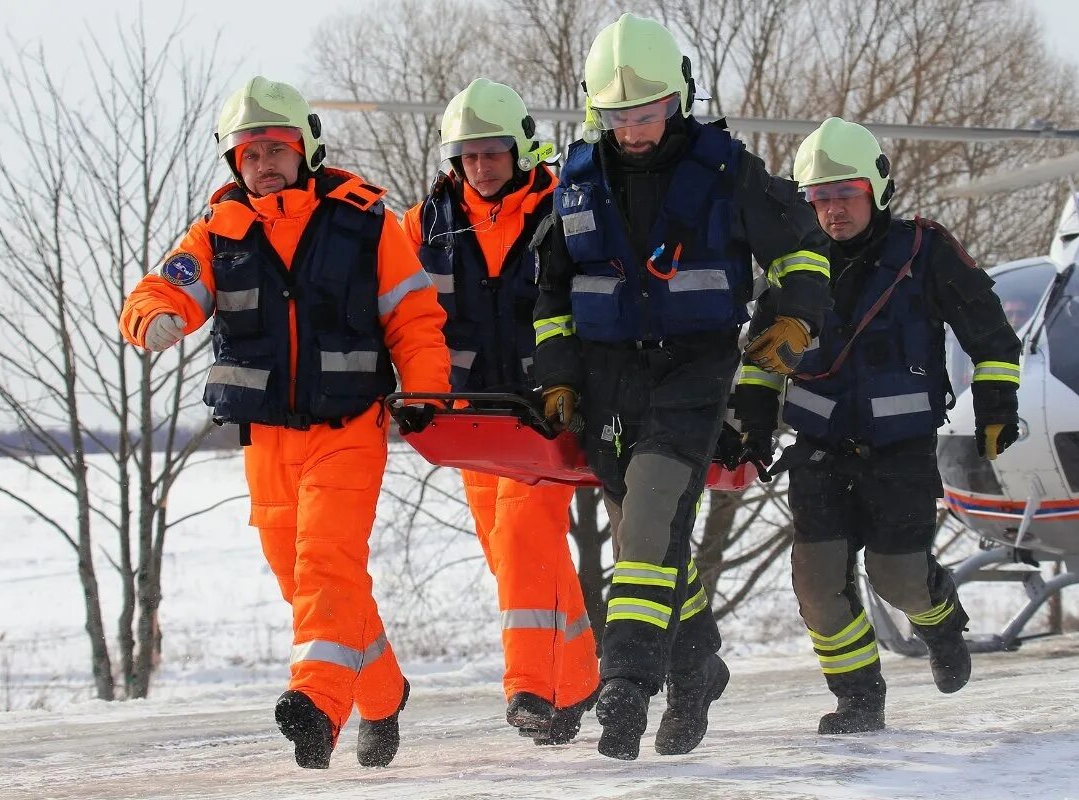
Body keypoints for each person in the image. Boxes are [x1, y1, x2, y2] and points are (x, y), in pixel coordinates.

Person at [118, 77, 451, 769]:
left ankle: (318, 704)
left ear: (307, 147)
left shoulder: (365, 221)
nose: (264, 162)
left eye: (276, 148)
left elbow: (414, 317)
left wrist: (424, 394)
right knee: (307, 583)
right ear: (234, 164)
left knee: (327, 559)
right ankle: (383, 693)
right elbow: (162, 286)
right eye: (250, 153)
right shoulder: (219, 231)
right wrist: (154, 317)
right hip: (267, 438)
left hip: (348, 425)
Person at [531, 12, 832, 760]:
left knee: (649, 516)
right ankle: (697, 662)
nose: (633, 130)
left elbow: (803, 251)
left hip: (693, 369)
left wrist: (791, 321)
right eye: (618, 116)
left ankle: (629, 680)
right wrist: (561, 377)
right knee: (652, 534)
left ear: (679, 100)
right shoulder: (574, 182)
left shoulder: (726, 169)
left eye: (649, 112)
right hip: (606, 382)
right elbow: (550, 296)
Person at [733, 117, 1023, 735]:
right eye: (820, 197)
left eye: (847, 194)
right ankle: (859, 699)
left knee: (897, 577)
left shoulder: (926, 252)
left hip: (900, 451)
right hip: (817, 449)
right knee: (816, 588)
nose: (833, 210)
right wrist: (753, 423)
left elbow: (990, 332)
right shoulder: (792, 267)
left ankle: (940, 622)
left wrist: (998, 400)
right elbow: (763, 358)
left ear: (877, 190)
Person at [399, 78, 599, 744]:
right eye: (468, 156)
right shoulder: (424, 224)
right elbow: (389, 301)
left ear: (520, 149)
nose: (480, 168)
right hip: (465, 422)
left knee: (520, 539)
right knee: (518, 553)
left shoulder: (563, 211)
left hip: (542, 416)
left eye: (492, 153)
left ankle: (530, 689)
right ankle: (577, 683)